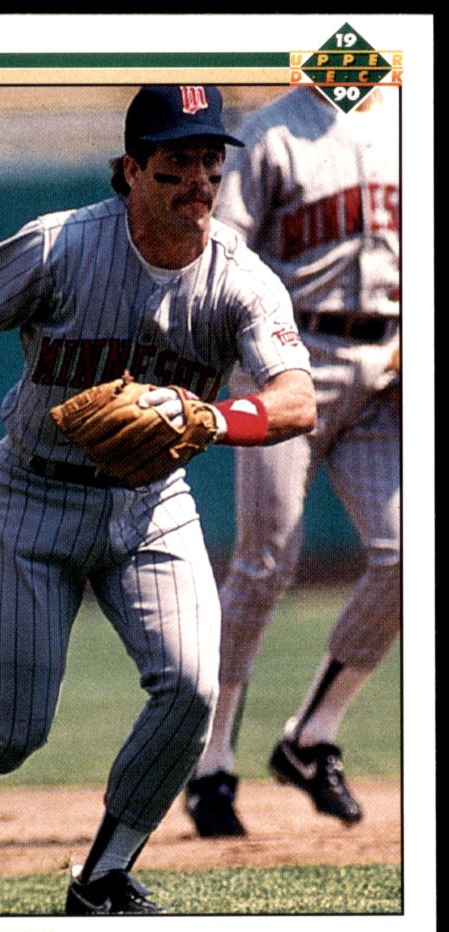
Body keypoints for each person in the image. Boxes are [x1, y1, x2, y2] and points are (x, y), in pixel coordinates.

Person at [0, 84, 316, 914]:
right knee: (12, 728)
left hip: (150, 502)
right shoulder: (61, 244)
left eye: (210, 161)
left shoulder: (240, 277)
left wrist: (211, 416)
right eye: (175, 162)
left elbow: (295, 400)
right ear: (129, 170)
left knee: (191, 688)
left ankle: (103, 876)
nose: (197, 180)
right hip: (34, 492)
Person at [184, 85, 400, 838]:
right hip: (290, 361)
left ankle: (311, 736)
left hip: (388, 364)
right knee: (264, 561)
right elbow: (220, 251)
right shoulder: (273, 133)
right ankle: (208, 759)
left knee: (407, 554)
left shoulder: (411, 122)